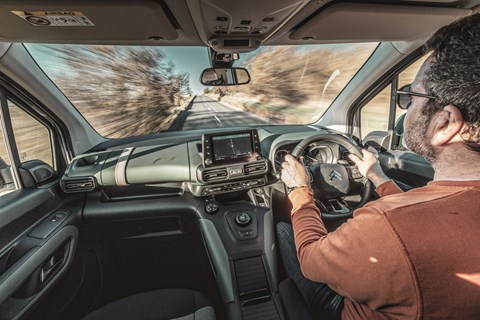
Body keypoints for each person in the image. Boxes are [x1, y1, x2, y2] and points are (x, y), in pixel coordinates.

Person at [278, 13, 480, 319]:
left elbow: (310, 258)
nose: (407, 107)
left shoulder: (385, 226)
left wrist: (300, 191)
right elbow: (420, 216)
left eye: (411, 96)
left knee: (283, 232)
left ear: (445, 123)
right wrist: (376, 175)